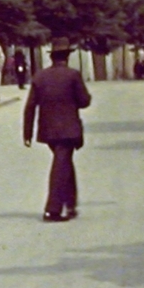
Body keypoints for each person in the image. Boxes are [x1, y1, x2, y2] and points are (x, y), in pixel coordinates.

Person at [23, 39, 92, 222]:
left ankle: (70, 204)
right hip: (69, 130)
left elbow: (30, 106)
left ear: (52, 58)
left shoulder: (40, 77)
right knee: (61, 165)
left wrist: (27, 133)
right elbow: (84, 101)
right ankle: (52, 210)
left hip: (48, 131)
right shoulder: (73, 75)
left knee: (64, 163)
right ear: (67, 57)